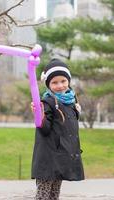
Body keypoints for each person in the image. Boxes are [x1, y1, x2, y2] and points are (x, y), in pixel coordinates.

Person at [31, 58, 84, 200]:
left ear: (68, 81)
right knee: (43, 195)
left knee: (54, 195)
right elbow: (44, 129)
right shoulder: (47, 102)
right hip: (48, 158)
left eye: (63, 81)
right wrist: (39, 115)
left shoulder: (70, 101)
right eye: (54, 82)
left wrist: (77, 112)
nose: (60, 85)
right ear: (48, 84)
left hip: (60, 158)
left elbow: (67, 127)